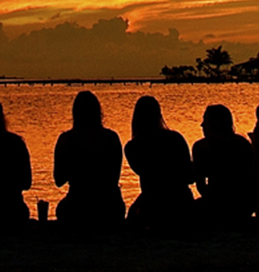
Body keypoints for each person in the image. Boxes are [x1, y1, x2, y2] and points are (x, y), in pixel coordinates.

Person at [53, 91, 124, 224]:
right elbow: (114, 177)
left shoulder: (67, 139)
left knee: (62, 209)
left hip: (78, 204)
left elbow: (58, 180)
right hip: (111, 206)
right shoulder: (111, 138)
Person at [124, 95, 193, 227]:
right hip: (181, 200)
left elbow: (148, 178)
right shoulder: (176, 138)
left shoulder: (133, 147)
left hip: (153, 203)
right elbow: (189, 176)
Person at [191, 104, 259, 224]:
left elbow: (200, 184)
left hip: (218, 203)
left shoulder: (202, 146)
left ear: (214, 123)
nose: (201, 125)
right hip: (246, 204)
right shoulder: (243, 144)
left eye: (205, 121)